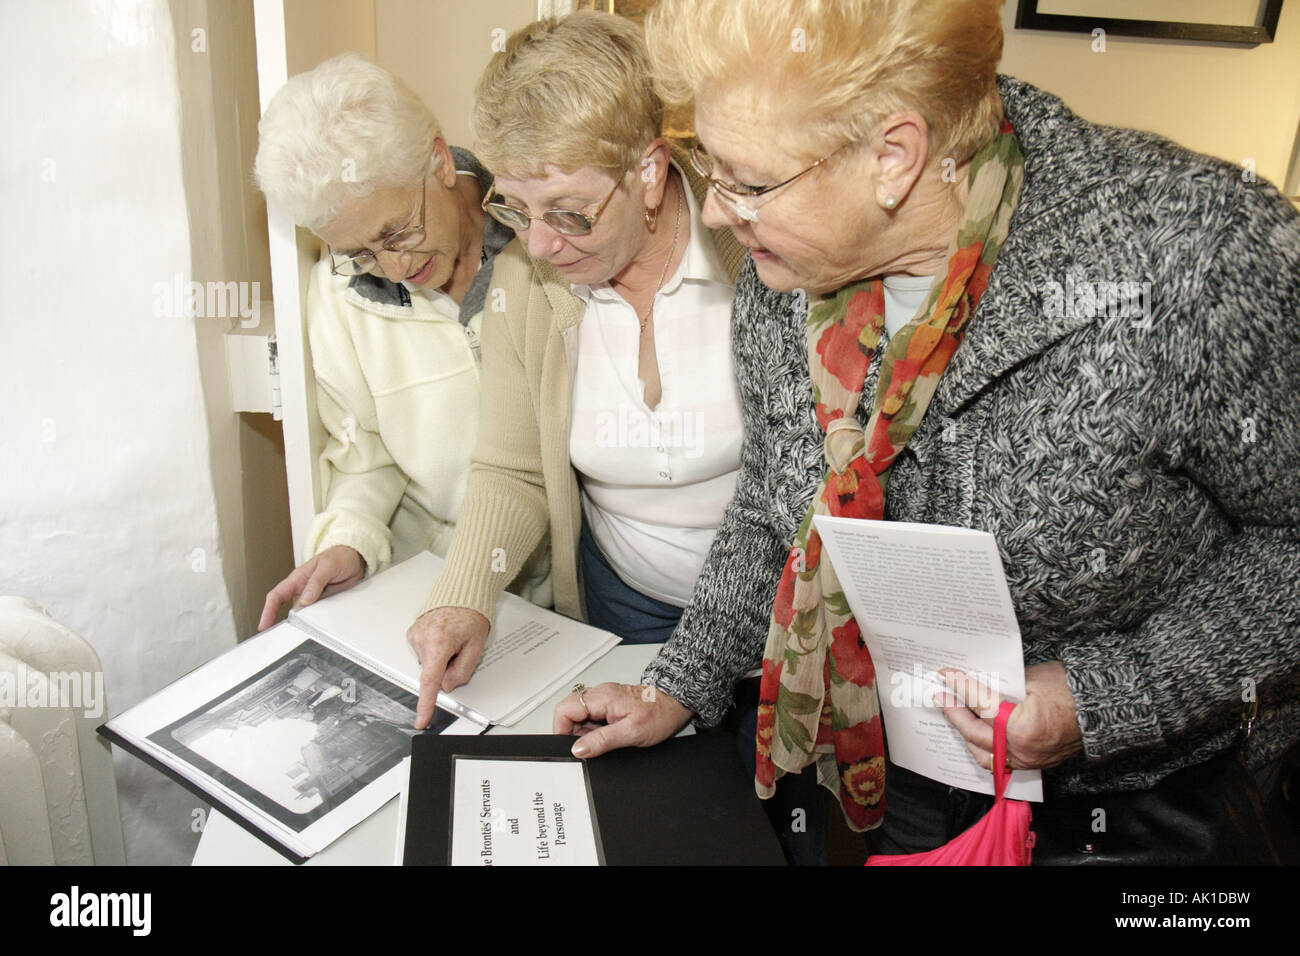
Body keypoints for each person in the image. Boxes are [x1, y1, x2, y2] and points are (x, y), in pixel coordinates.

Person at [553, 0, 1300, 859]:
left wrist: (1101, 700)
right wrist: (680, 685)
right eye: (706, 166)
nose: (717, 214)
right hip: (891, 766)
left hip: (1129, 801)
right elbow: (771, 505)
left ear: (895, 156)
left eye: (748, 183)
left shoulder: (1193, 255)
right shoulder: (781, 277)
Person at [406, 12, 747, 730]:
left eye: (569, 213)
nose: (539, 243)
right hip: (623, 599)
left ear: (650, 170)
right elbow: (513, 466)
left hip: (773, 610)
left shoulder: (757, 253)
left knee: (768, 822)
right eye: (515, 206)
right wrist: (464, 593)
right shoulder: (521, 285)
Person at [252, 53, 549, 632]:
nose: (393, 265)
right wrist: (349, 543)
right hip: (432, 590)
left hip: (564, 594)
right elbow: (366, 459)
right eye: (359, 252)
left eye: (397, 232)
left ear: (439, 162)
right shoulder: (338, 297)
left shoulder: (545, 244)